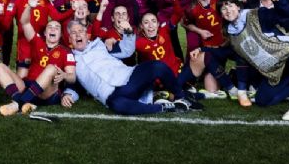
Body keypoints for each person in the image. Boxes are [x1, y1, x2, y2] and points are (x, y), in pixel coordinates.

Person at [69, 18, 204, 116]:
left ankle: (181, 97)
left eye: (80, 31)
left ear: (87, 36)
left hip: (128, 79)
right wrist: (69, 94)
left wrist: (128, 32)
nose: (78, 35)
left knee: (157, 66)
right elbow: (71, 80)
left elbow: (127, 50)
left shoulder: (100, 44)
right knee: (117, 105)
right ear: (70, 40)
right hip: (110, 94)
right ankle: (163, 108)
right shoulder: (70, 59)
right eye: (73, 33)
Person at [217, 0, 289, 121]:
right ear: (221, 14)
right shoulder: (231, 33)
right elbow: (240, 58)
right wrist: (201, 50)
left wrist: (279, 0)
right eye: (223, 9)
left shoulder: (257, 14)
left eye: (230, 6)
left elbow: (285, 14)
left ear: (238, 7)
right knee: (262, 100)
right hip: (277, 66)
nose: (228, 11)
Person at [0, 20, 77, 116]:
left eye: (57, 28)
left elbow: (72, 77)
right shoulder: (38, 43)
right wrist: (29, 6)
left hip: (47, 92)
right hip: (28, 87)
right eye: (50, 27)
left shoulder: (66, 52)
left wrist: (64, 75)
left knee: (51, 68)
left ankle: (17, 104)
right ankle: (23, 101)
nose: (53, 29)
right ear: (45, 32)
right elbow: (25, 22)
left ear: (60, 34)